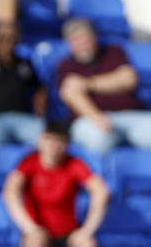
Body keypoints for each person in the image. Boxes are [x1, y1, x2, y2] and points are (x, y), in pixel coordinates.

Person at [2, 121, 111, 247]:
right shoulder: (29, 162)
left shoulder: (74, 164)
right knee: (35, 245)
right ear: (40, 140)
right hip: (39, 232)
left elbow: (101, 191)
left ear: (67, 145)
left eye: (59, 141)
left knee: (88, 246)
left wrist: (87, 230)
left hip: (69, 232)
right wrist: (30, 228)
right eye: (49, 140)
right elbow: (11, 191)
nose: (53, 146)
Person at [57, 18, 151, 155]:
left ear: (95, 37)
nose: (83, 43)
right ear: (69, 43)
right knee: (100, 139)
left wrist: (88, 84)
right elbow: (70, 93)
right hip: (90, 119)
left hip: (130, 116)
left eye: (86, 38)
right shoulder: (66, 65)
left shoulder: (114, 52)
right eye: (76, 39)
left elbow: (129, 79)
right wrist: (96, 117)